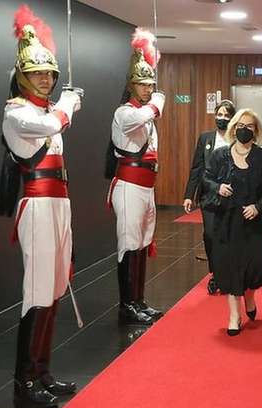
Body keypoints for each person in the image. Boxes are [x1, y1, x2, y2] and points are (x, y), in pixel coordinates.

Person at [0, 5, 82, 407]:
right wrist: (67, 105)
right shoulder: (16, 113)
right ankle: (24, 380)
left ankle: (43, 371)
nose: (46, 79)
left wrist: (61, 107)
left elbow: (55, 122)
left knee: (55, 289)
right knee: (36, 292)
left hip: (59, 205)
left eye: (50, 73)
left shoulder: (48, 110)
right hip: (36, 205)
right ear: (21, 77)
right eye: (37, 74)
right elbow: (51, 127)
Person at [107, 29, 166, 325]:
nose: (148, 88)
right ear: (131, 85)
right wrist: (158, 100)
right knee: (129, 244)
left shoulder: (144, 113)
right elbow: (150, 112)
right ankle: (126, 305)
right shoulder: (125, 113)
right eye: (143, 83)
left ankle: (138, 300)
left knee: (143, 243)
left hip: (146, 186)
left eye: (151, 83)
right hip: (129, 186)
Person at [203, 109, 262, 335]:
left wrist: (259, 207)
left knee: (253, 267)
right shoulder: (219, 155)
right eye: (240, 125)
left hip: (254, 223)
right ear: (233, 127)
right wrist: (218, 187)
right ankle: (234, 315)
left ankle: (250, 297)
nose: (244, 130)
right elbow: (206, 177)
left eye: (249, 127)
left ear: (256, 132)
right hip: (226, 221)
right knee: (229, 266)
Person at [183, 100, 237, 294]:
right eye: (219, 114)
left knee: (229, 235)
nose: (222, 118)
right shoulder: (206, 138)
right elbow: (196, 168)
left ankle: (229, 273)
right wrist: (189, 195)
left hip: (232, 196)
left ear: (233, 118)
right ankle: (215, 273)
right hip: (209, 195)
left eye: (226, 115)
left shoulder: (236, 139)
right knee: (210, 235)